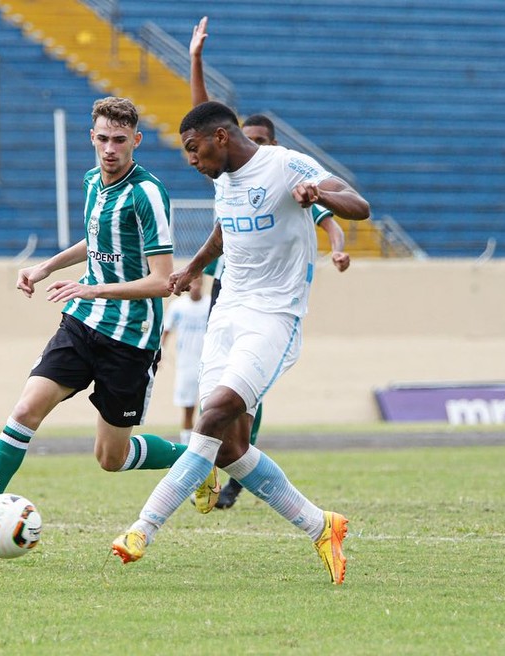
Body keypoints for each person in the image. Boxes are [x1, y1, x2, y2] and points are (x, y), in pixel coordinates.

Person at [111, 101, 370, 584]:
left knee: (212, 416)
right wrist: (192, 266)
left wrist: (319, 195)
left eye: (193, 148)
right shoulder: (224, 182)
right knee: (230, 448)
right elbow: (225, 231)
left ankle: (142, 528)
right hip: (226, 313)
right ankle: (321, 525)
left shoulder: (285, 165)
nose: (190, 159)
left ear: (220, 138)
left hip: (274, 316)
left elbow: (360, 206)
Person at [0, 97, 187, 564]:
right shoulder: (93, 182)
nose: (109, 149)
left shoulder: (148, 194)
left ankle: (193, 459)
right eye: (102, 139)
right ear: (91, 138)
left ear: (136, 140)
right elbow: (95, 244)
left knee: (110, 458)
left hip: (131, 339)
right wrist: (46, 267)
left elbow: (162, 282)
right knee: (26, 408)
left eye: (119, 140)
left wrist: (95, 291)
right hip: (82, 325)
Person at [189, 15, 351, 509]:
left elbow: (335, 211)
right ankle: (225, 463)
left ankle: (171, 500)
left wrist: (338, 244)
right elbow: (202, 119)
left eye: (261, 138)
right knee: (214, 405)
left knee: (234, 403)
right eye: (247, 135)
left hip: (272, 303)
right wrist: (194, 60)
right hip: (228, 292)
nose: (253, 144)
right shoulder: (225, 175)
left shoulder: (288, 176)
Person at [162, 274, 211, 444]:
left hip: (208, 363)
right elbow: (166, 331)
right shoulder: (178, 306)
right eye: (194, 282)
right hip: (186, 364)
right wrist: (160, 352)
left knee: (211, 407)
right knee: (188, 407)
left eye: (199, 282)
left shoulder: (210, 304)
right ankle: (186, 444)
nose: (196, 285)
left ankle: (208, 444)